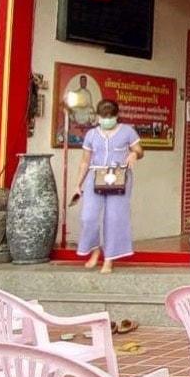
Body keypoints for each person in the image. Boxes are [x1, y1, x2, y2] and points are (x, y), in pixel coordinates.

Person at [73, 98, 142, 273]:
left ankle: (109, 259)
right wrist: (78, 184)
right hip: (95, 176)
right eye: (103, 117)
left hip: (119, 177)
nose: (106, 120)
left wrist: (134, 154)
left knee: (114, 218)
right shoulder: (91, 134)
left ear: (116, 116)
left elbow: (139, 150)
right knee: (88, 217)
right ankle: (95, 250)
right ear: (98, 116)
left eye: (110, 117)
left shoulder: (127, 131)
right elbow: (85, 161)